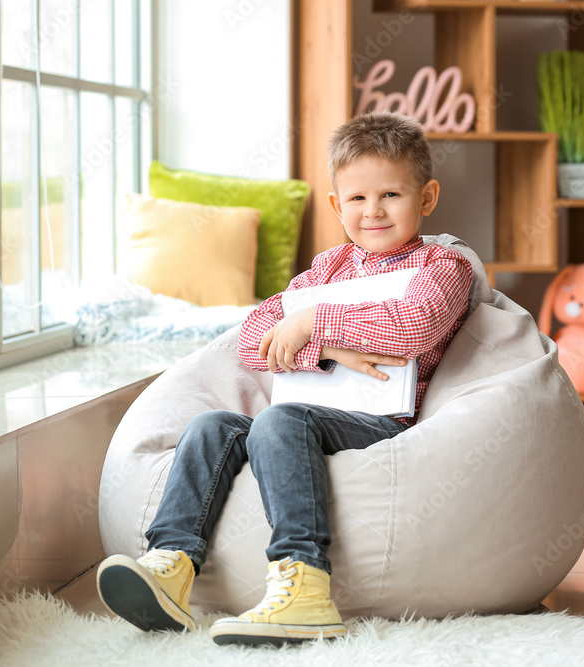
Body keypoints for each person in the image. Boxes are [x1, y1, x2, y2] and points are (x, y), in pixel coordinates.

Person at [96, 111, 474, 647]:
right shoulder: (327, 270)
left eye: (391, 194)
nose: (374, 211)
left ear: (427, 197)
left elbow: (414, 326)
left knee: (278, 419)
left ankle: (305, 586)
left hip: (384, 422)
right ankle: (172, 565)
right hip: (306, 417)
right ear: (336, 204)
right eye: (359, 199)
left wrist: (308, 322)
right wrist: (324, 346)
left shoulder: (442, 265)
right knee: (212, 426)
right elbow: (252, 339)